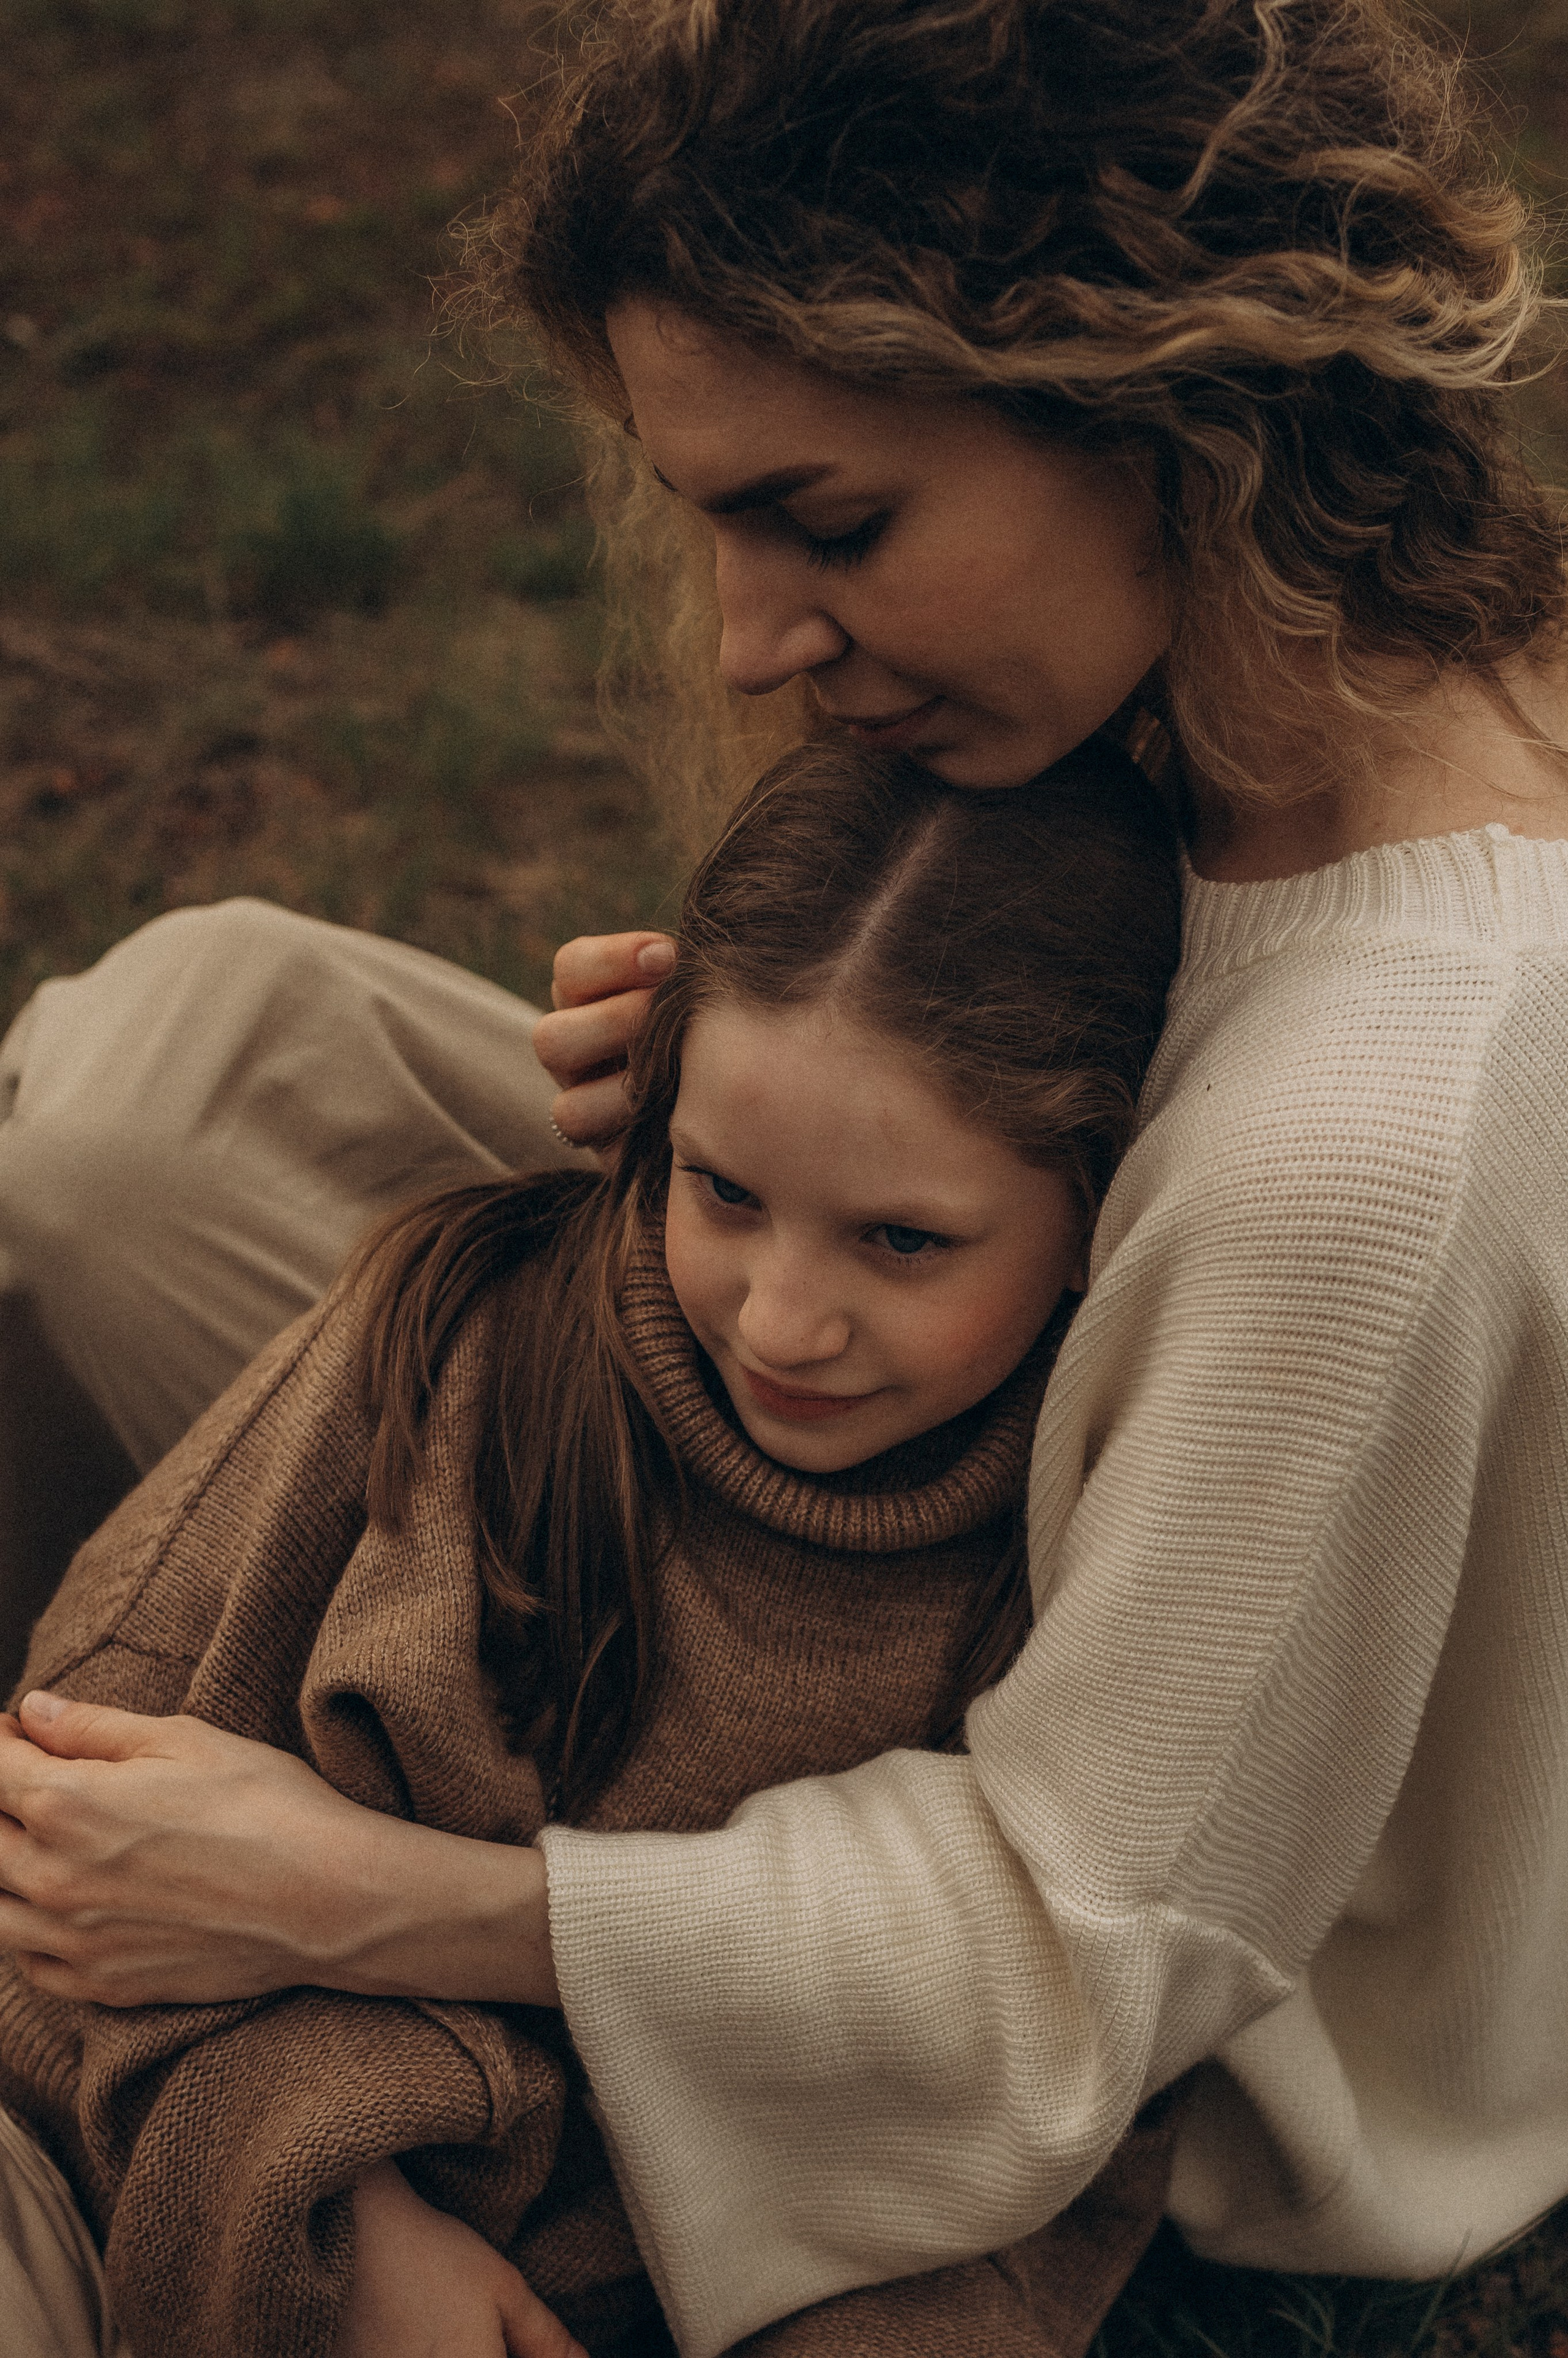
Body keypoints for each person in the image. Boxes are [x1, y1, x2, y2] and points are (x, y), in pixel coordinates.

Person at [2, 0, 1568, 2353]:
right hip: (910, 1497)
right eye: (707, 514)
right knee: (192, 1054)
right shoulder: (1323, 677)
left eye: (831, 526)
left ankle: (105, 1902)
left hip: (1121, 2117)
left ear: (1167, 409)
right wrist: (778, 1096)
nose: (748, 643)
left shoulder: (1367, 1138)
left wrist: (346, 1900)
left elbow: (1068, 1967)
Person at [0, 740, 1182, 2358]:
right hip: (158, 2194)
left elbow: (1023, 2133)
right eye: (725, 1191)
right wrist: (337, 2214)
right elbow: (54, 1866)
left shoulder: (1108, 1561)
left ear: (1102, 1215)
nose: (780, 1321)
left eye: (902, 1240)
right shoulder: (448, 1347)